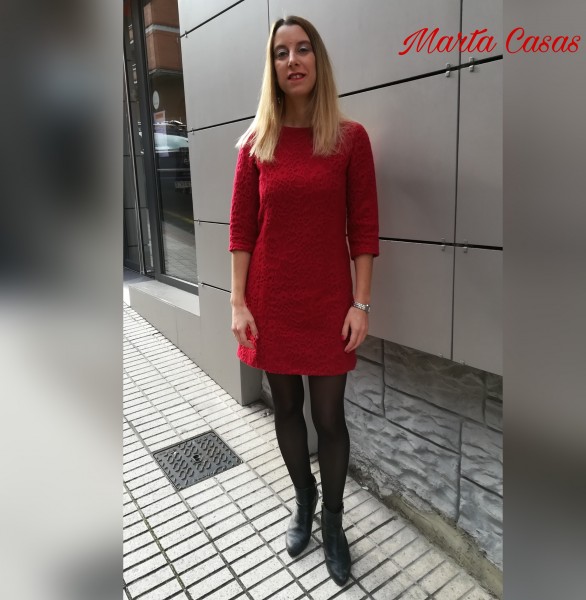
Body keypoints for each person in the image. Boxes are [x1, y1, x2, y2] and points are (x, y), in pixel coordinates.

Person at [229, 15, 379, 587]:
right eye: (280, 53)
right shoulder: (256, 144)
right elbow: (241, 230)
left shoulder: (349, 139)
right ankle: (304, 498)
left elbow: (364, 229)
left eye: (302, 49)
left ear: (318, 60)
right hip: (271, 302)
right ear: (271, 68)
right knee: (286, 410)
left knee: (329, 417)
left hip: (328, 304)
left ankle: (334, 522)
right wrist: (238, 303)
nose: (292, 60)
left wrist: (361, 304)